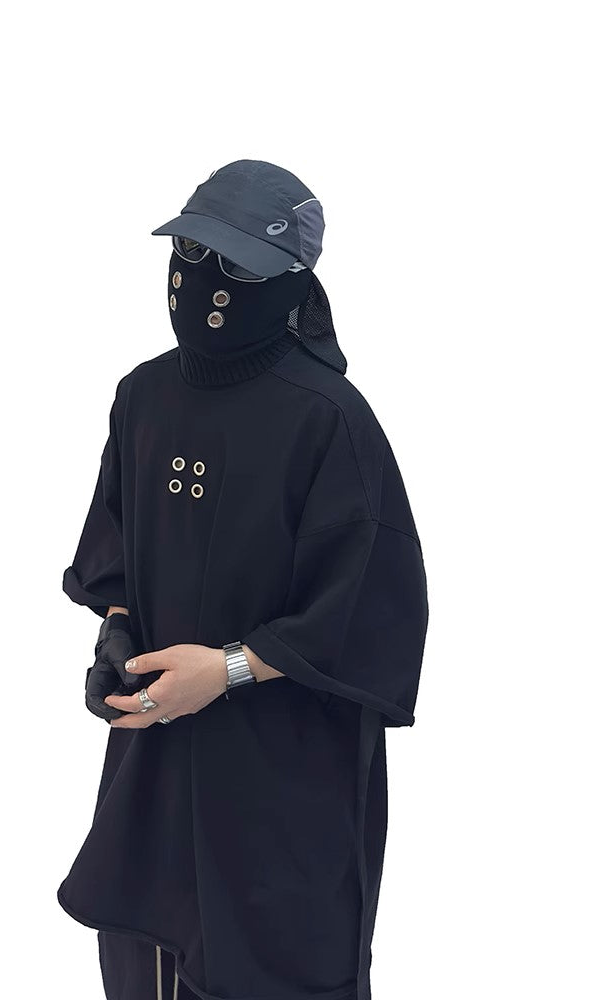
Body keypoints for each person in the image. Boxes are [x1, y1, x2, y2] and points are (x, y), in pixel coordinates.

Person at [58, 160, 428, 1000]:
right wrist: (117, 635)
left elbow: (371, 610)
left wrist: (225, 671)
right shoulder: (143, 397)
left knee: (270, 969)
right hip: (152, 767)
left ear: (291, 281)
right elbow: (117, 550)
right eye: (190, 251)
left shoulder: (329, 420)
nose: (202, 279)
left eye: (235, 264)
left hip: (277, 784)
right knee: (143, 959)